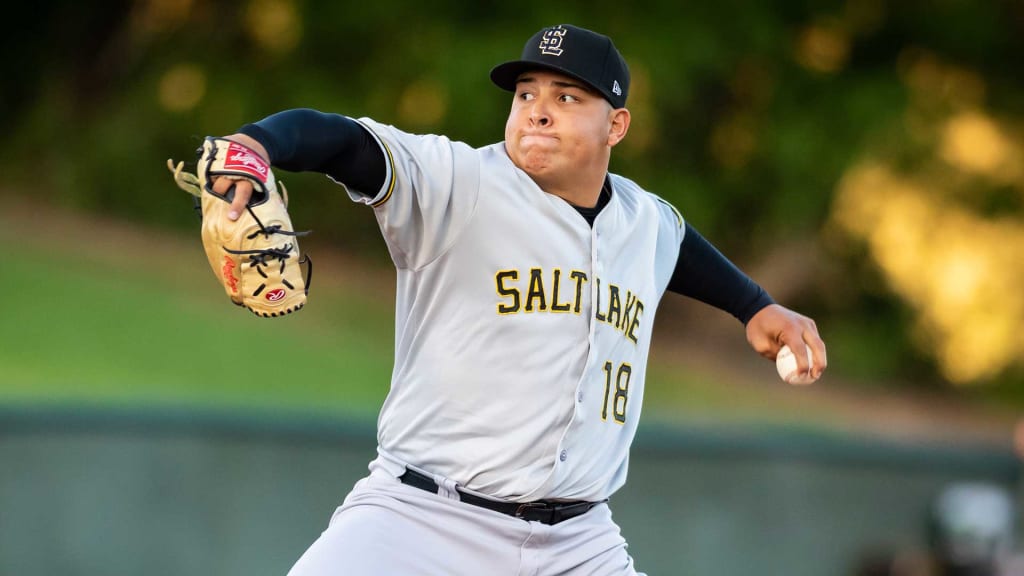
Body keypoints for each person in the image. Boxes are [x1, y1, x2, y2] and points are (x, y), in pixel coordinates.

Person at [208, 23, 827, 575]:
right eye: (526, 94)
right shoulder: (458, 183)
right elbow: (348, 143)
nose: (538, 112)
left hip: (579, 543)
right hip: (422, 520)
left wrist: (755, 305)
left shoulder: (644, 220)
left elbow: (679, 245)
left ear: (616, 125)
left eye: (567, 97)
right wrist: (258, 145)